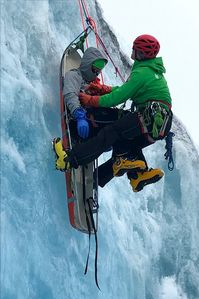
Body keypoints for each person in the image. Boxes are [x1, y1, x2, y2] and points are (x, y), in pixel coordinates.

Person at [54, 34, 173, 192]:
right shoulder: (154, 74)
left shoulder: (142, 73)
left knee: (113, 131)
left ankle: (69, 160)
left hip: (150, 117)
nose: (132, 52)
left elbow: (119, 96)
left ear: (140, 53)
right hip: (161, 125)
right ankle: (134, 176)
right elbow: (126, 90)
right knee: (126, 144)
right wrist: (104, 89)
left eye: (135, 49)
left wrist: (90, 100)